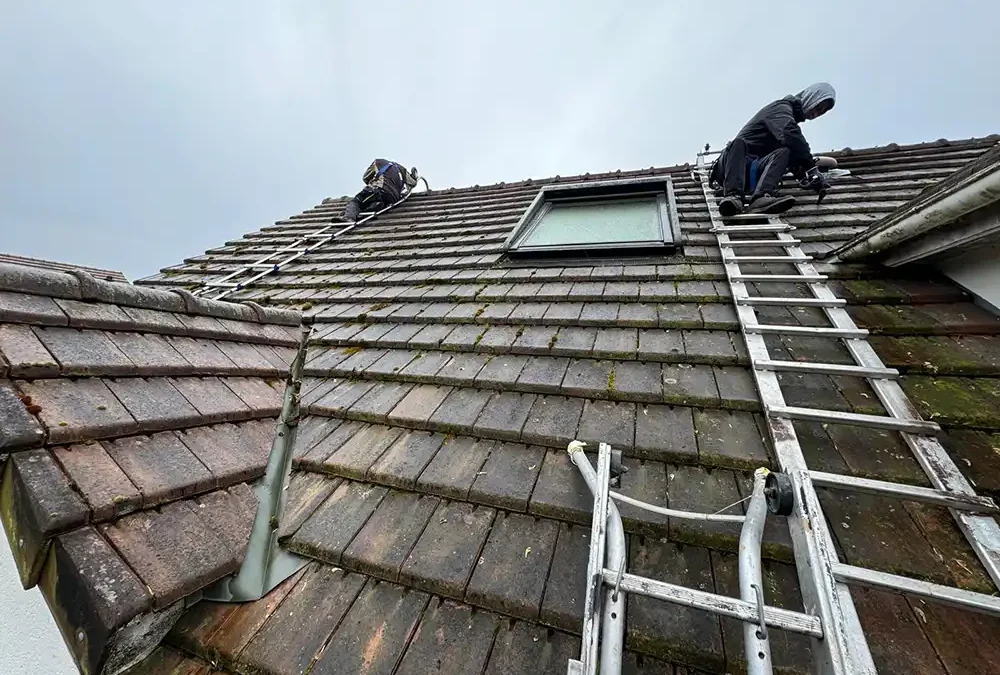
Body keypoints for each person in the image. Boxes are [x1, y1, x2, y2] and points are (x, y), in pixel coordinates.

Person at [710, 83, 836, 216]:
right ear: (811, 97)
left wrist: (806, 177)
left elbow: (792, 153)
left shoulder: (789, 119)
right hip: (731, 170)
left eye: (821, 112)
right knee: (738, 144)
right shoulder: (780, 109)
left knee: (785, 151)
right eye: (817, 107)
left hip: (753, 174)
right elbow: (791, 135)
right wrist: (811, 168)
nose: (816, 113)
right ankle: (733, 197)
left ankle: (760, 199)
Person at [342, 159, 418, 221]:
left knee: (355, 202)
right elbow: (413, 183)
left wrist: (373, 180)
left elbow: (365, 178)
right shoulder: (402, 169)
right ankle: (375, 206)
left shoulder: (377, 162)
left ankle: (349, 218)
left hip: (378, 190)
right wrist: (414, 176)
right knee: (372, 201)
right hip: (393, 198)